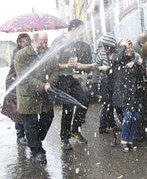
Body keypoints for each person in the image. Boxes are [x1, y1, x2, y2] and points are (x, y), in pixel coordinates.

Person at [14, 32, 59, 164]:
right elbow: (25, 78)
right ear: (33, 41)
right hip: (27, 95)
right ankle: (37, 152)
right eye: (41, 42)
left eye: (46, 42)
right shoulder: (21, 55)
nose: (44, 45)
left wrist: (49, 83)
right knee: (30, 124)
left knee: (49, 116)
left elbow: (55, 70)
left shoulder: (48, 54)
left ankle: (35, 140)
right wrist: (42, 86)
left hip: (45, 94)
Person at [52, 19, 94, 150]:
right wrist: (66, 65)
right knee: (68, 107)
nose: (81, 33)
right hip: (62, 78)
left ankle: (74, 129)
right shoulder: (59, 41)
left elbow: (75, 65)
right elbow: (53, 64)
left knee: (84, 100)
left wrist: (90, 66)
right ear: (75, 28)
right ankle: (64, 138)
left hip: (71, 77)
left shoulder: (73, 43)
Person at [111, 38, 142, 152]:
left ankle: (131, 139)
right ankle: (124, 140)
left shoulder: (133, 60)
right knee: (128, 116)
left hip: (133, 93)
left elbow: (139, 76)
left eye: (130, 46)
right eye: (126, 46)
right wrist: (122, 46)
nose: (129, 48)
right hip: (122, 93)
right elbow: (116, 59)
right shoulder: (118, 60)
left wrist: (137, 64)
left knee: (136, 117)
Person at [1, 33, 31, 146]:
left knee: (24, 109)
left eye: (29, 40)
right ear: (19, 43)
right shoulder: (17, 53)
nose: (27, 42)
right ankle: (20, 136)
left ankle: (25, 134)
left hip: (21, 84)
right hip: (13, 84)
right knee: (18, 110)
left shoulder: (27, 52)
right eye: (24, 41)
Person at [92, 33, 121, 134]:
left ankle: (112, 124)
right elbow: (95, 66)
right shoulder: (101, 54)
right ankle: (102, 126)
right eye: (104, 46)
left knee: (115, 103)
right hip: (104, 82)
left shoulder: (118, 53)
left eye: (107, 46)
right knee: (106, 104)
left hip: (116, 82)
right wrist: (101, 68)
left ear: (112, 45)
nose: (105, 48)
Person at [133, 31, 147, 141]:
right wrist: (143, 69)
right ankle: (139, 133)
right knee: (140, 110)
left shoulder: (143, 48)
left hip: (143, 83)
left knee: (144, 109)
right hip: (138, 84)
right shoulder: (136, 49)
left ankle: (144, 132)